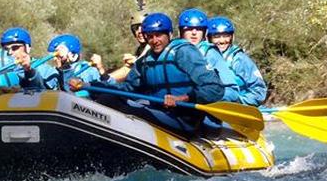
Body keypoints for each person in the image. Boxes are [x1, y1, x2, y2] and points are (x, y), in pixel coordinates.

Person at [69, 12, 224, 135]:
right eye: (150, 36)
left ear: (169, 35)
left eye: (159, 35)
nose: (154, 40)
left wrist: (183, 98)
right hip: (160, 113)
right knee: (108, 98)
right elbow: (128, 88)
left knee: (123, 108)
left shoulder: (183, 52)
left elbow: (215, 89)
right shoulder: (145, 62)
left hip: (185, 119)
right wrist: (88, 85)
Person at [177, 8, 241, 103]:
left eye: (199, 29)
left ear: (205, 32)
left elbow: (232, 91)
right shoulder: (174, 50)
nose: (194, 33)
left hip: (204, 105)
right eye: (189, 29)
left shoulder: (210, 53)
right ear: (181, 32)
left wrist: (201, 98)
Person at [207, 16, 268, 106]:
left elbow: (259, 91)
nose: (222, 41)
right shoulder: (205, 57)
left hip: (238, 108)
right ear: (209, 38)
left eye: (226, 36)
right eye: (216, 36)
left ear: (231, 37)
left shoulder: (239, 59)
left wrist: (237, 100)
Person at [108, 9, 151, 82]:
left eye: (143, 27)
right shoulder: (139, 50)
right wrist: (104, 78)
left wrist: (136, 62)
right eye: (136, 28)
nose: (140, 31)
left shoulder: (153, 48)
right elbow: (127, 70)